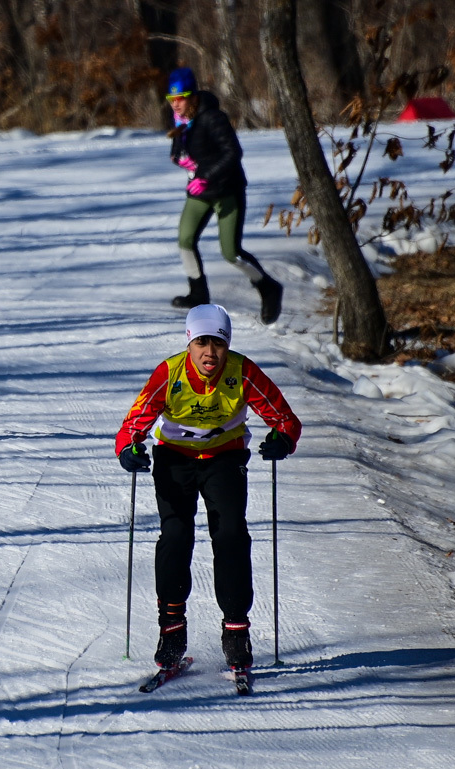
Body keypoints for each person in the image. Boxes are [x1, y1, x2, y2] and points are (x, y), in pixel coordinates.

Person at [114, 304, 301, 672]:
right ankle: (171, 630)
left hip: (224, 459)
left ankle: (236, 630)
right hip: (175, 459)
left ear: (227, 345)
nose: (209, 353)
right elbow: (133, 424)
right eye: (201, 342)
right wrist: (128, 449)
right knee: (175, 535)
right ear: (189, 342)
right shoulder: (169, 373)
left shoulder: (242, 372)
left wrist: (283, 440)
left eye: (217, 343)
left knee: (231, 534)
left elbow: (286, 420)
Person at [165, 66, 283, 324]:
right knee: (185, 240)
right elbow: (182, 153)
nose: (175, 104)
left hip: (226, 191)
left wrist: (205, 175)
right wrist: (179, 156)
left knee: (231, 253)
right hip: (199, 192)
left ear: (193, 96)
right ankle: (198, 294)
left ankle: (268, 287)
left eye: (181, 97)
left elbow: (232, 153)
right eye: (171, 99)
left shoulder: (213, 118)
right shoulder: (183, 121)